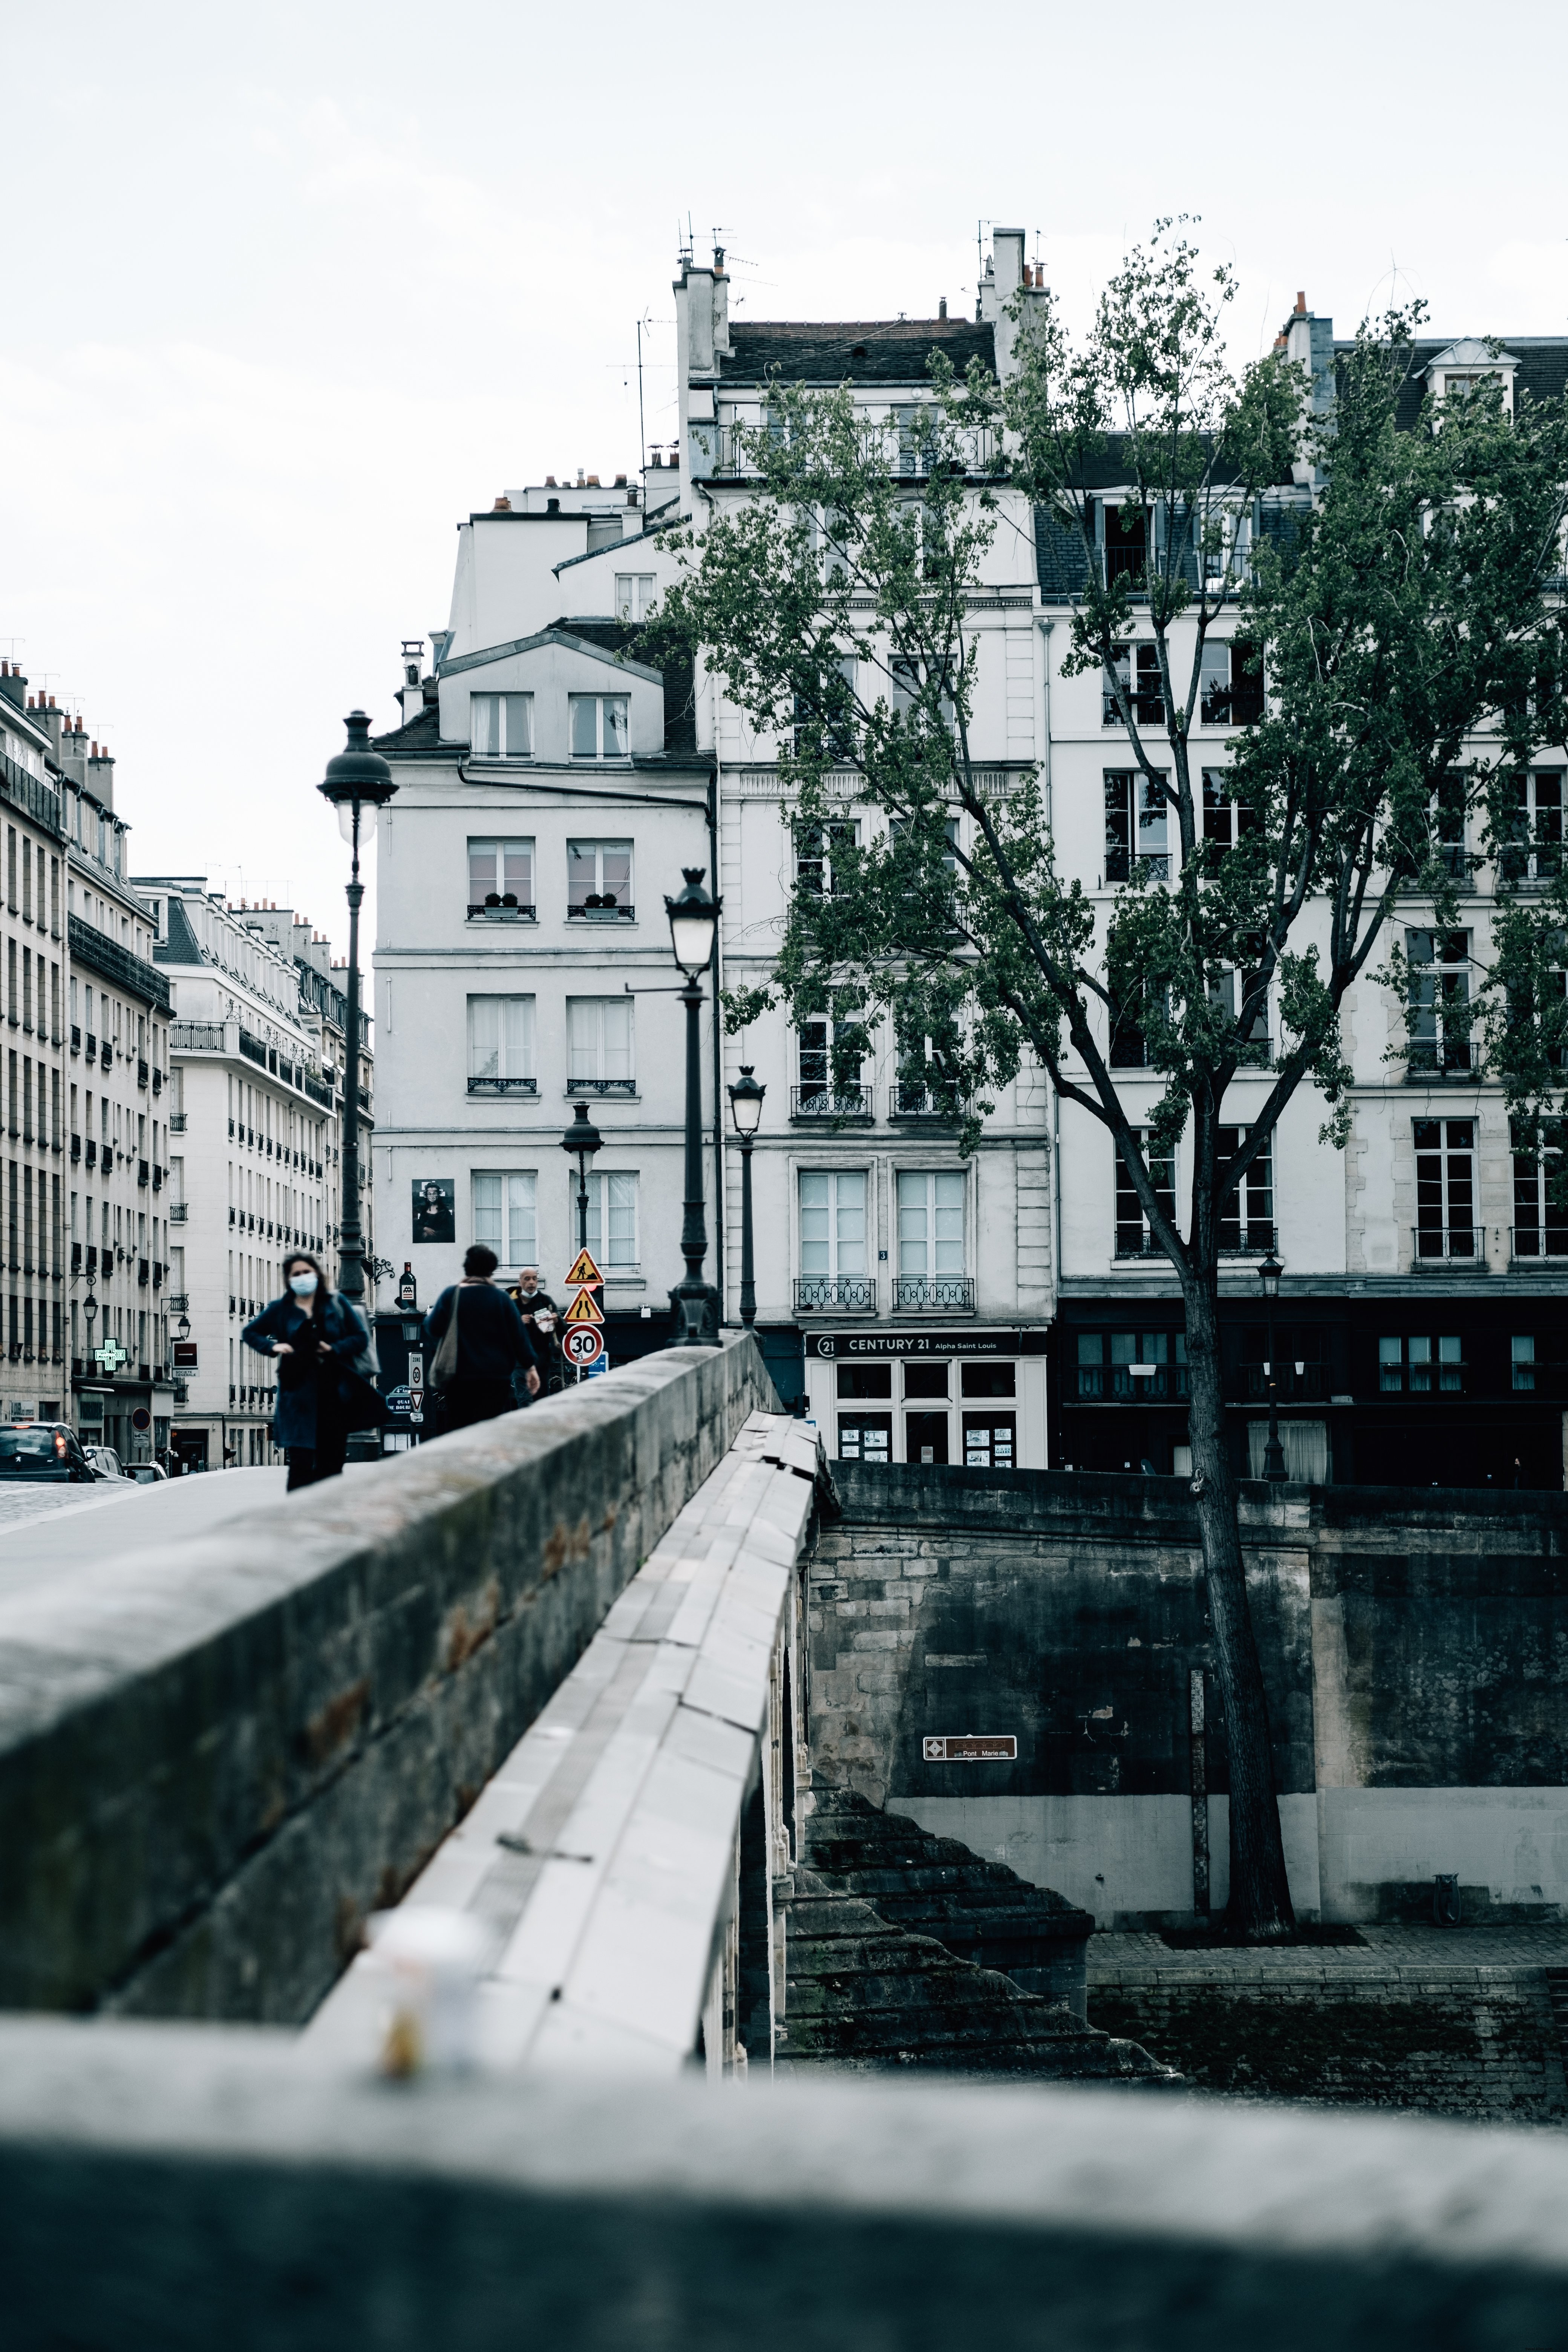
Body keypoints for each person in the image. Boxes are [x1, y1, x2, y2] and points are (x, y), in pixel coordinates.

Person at [243, 1251, 378, 1491]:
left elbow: (360, 1338)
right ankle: (298, 1520)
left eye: (307, 1272)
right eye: (296, 1274)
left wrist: (334, 1348)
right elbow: (250, 1333)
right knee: (300, 1468)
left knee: (332, 1466)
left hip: (334, 1395)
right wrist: (274, 1346)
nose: (302, 1277)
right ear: (288, 1280)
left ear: (317, 1274)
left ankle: (328, 1517)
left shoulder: (336, 1304)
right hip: (297, 1397)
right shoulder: (281, 1309)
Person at [424, 1244, 541, 1431]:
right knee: (488, 1430)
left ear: (466, 1268)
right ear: (492, 1270)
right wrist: (530, 1368)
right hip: (495, 1378)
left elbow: (433, 1329)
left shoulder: (451, 1295)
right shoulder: (501, 1299)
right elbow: (519, 1338)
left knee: (459, 1429)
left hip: (459, 1377)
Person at [509, 1263, 564, 1399]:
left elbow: (564, 1331)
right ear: (520, 1282)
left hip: (542, 1359)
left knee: (542, 1398)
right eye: (527, 1279)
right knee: (523, 1398)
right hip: (520, 1360)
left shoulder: (546, 1301)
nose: (532, 1282)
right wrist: (518, 1321)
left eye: (534, 1279)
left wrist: (557, 1321)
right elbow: (502, 1329)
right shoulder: (513, 1302)